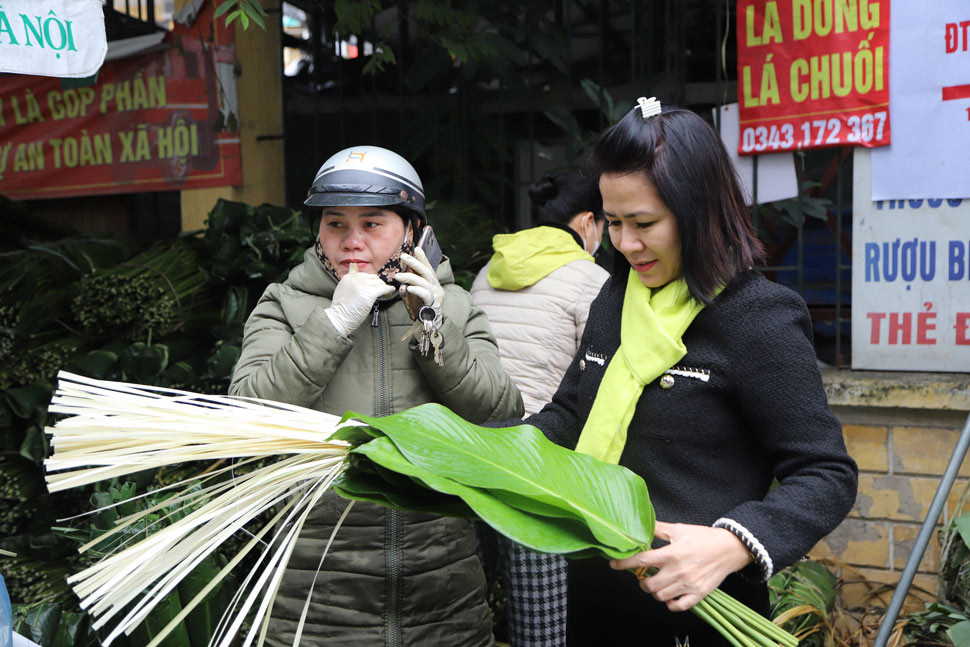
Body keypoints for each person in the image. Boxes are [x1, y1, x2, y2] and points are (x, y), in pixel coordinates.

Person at [522, 99, 858, 645]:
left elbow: (825, 472)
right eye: (612, 223)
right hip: (596, 590)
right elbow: (569, 415)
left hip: (705, 607)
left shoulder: (759, 317)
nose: (626, 244)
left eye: (644, 223)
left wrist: (733, 544)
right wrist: (474, 451)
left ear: (699, 210)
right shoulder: (615, 297)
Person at [229, 145, 524, 647]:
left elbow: (500, 413)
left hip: (442, 592)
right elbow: (248, 416)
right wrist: (334, 322)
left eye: (373, 224)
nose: (352, 242)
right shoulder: (285, 304)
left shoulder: (452, 303)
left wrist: (434, 326)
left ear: (411, 230)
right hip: (316, 596)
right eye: (335, 224)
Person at [469, 170, 608, 646]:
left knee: (477, 586)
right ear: (589, 222)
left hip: (475, 444)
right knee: (541, 600)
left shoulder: (489, 269)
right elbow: (602, 376)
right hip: (538, 449)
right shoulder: (591, 278)